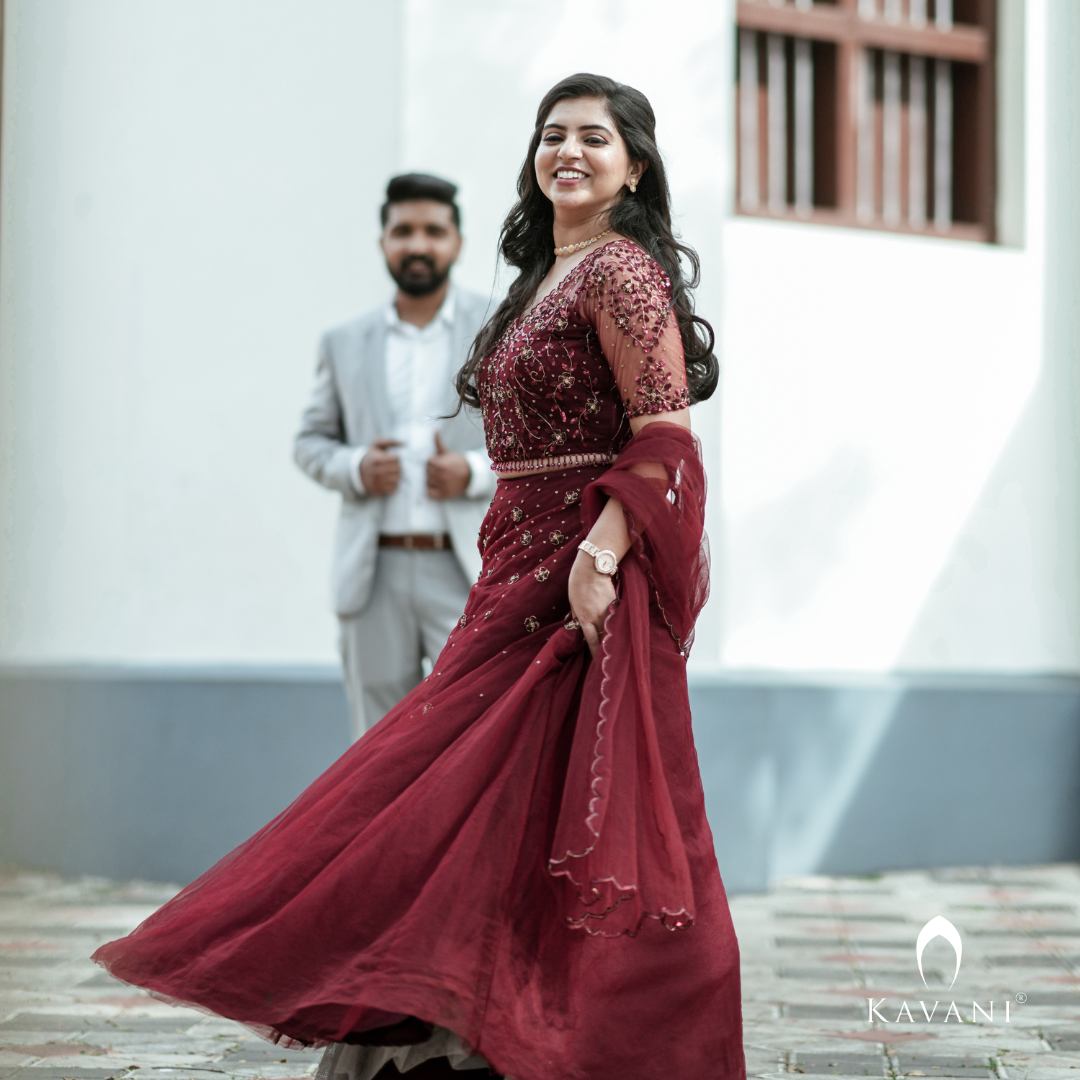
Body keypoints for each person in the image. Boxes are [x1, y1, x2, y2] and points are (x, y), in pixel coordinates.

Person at [93, 74, 745, 1080]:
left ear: (636, 164)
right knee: (458, 805)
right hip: (507, 577)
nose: (567, 150)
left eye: (594, 138)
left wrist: (601, 557)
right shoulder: (545, 276)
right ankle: (454, 1030)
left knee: (534, 809)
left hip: (575, 587)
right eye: (551, 134)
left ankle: (557, 1043)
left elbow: (665, 440)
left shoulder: (619, 272)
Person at [295, 173, 495, 740]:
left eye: (434, 231)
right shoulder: (344, 342)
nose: (418, 245)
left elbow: (539, 441)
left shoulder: (498, 325)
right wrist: (356, 467)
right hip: (372, 571)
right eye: (403, 231)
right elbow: (310, 443)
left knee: (471, 736)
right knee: (374, 749)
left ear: (457, 242)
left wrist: (474, 473)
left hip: (466, 571)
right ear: (383, 241)